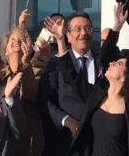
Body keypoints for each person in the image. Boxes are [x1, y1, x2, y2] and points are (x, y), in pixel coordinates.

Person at [70, 43, 129, 156]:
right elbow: (72, 79)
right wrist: (60, 41)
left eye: (119, 63)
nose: (111, 63)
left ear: (125, 77)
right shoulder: (97, 96)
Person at [44, 12, 100, 153]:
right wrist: (67, 120)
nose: (83, 33)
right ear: (68, 36)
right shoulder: (55, 64)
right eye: (77, 29)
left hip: (98, 140)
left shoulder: (103, 62)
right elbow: (47, 101)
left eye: (88, 28)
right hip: (68, 140)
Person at [2, 21, 52, 156]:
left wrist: (25, 64)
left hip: (28, 142)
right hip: (2, 142)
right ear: (5, 51)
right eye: (13, 39)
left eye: (21, 40)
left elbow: (31, 94)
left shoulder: (38, 70)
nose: (17, 42)